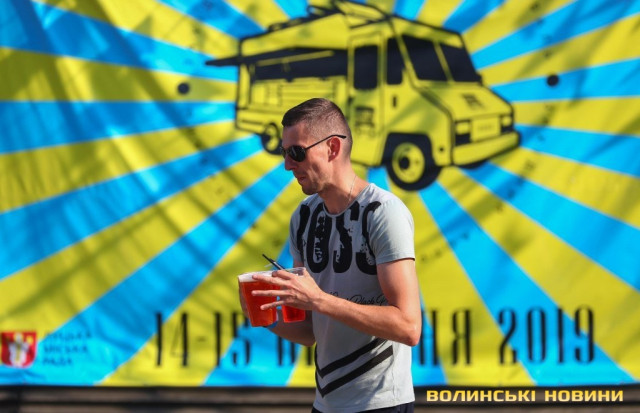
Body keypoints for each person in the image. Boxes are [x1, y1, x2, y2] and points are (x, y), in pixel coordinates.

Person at [241, 98, 422, 413]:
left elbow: (409, 327)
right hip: (325, 404)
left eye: (297, 152)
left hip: (380, 404)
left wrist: (318, 300)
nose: (288, 164)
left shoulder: (383, 212)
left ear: (332, 148)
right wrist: (263, 316)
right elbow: (309, 331)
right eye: (284, 153)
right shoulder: (304, 216)